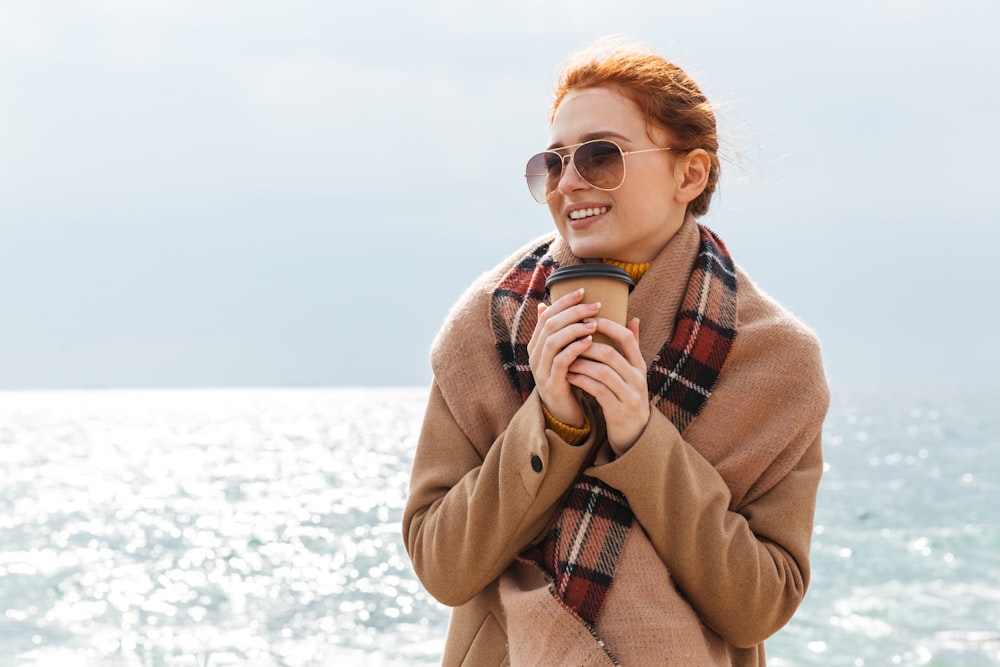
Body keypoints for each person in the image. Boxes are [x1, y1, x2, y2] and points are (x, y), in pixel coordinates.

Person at [402, 39, 829, 666]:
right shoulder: (488, 325)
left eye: (602, 156)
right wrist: (550, 424)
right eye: (554, 161)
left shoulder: (775, 358)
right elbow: (443, 568)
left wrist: (641, 440)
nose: (570, 182)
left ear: (692, 173)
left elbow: (759, 607)